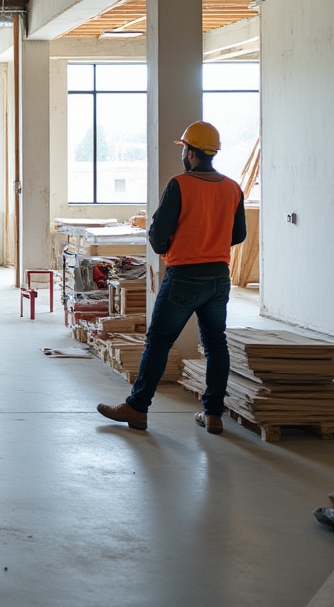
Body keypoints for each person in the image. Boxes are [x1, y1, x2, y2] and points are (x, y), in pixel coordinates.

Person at [97, 121, 246, 434]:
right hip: (218, 277)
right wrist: (211, 242)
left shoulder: (181, 184)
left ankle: (137, 408)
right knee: (216, 345)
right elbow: (239, 234)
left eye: (184, 149)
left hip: (184, 277)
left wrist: (181, 244)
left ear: (190, 152)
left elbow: (158, 238)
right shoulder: (233, 187)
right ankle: (213, 414)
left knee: (158, 343)